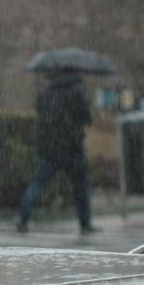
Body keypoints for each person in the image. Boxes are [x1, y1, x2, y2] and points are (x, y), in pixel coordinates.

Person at [17, 71, 97, 234]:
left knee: (39, 183)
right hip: (72, 146)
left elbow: (40, 113)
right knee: (80, 184)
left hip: (49, 147)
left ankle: (22, 216)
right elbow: (86, 118)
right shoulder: (77, 90)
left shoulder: (47, 91)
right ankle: (85, 222)